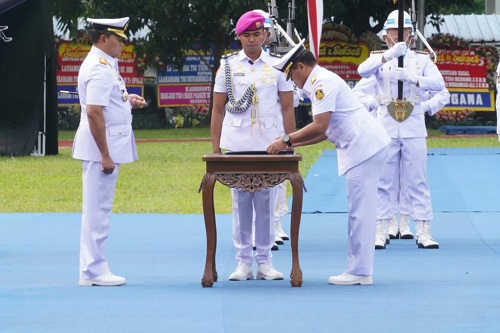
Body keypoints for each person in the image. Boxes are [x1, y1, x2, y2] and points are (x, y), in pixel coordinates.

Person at [267, 40, 390, 285]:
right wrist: (290, 145)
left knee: (360, 213)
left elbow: (320, 125)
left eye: (292, 75)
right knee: (359, 211)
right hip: (363, 147)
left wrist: (285, 139)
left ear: (300, 67)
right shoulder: (320, 82)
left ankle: (360, 272)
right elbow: (324, 132)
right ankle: (359, 269)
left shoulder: (322, 84)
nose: (293, 82)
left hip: (364, 149)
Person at [210, 11, 295, 281]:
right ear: (239, 37)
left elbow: (287, 106)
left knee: (267, 201)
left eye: (256, 34)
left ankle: (265, 261)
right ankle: (243, 261)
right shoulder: (228, 66)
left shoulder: (279, 65)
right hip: (237, 143)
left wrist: (290, 142)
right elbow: (217, 109)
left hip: (270, 142)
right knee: (241, 202)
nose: (251, 39)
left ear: (266, 36)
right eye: (246, 35)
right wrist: (215, 148)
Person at [357, 10, 450, 249]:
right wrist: (387, 57)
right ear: (386, 35)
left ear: (411, 34)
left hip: (413, 125)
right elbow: (361, 72)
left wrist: (414, 78)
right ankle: (380, 229)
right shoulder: (379, 58)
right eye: (394, 31)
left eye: (404, 31)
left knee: (417, 180)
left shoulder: (421, 60)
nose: (399, 34)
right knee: (383, 180)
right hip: (386, 127)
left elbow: (440, 84)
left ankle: (423, 231)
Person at [73, 17, 147, 286]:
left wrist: (128, 102)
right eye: (118, 40)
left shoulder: (103, 64)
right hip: (99, 148)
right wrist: (105, 154)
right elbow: (93, 112)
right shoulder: (99, 68)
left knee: (97, 208)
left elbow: (106, 102)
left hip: (101, 146)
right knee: (97, 210)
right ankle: (93, 270)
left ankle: (92, 267)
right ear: (103, 39)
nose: (121, 46)